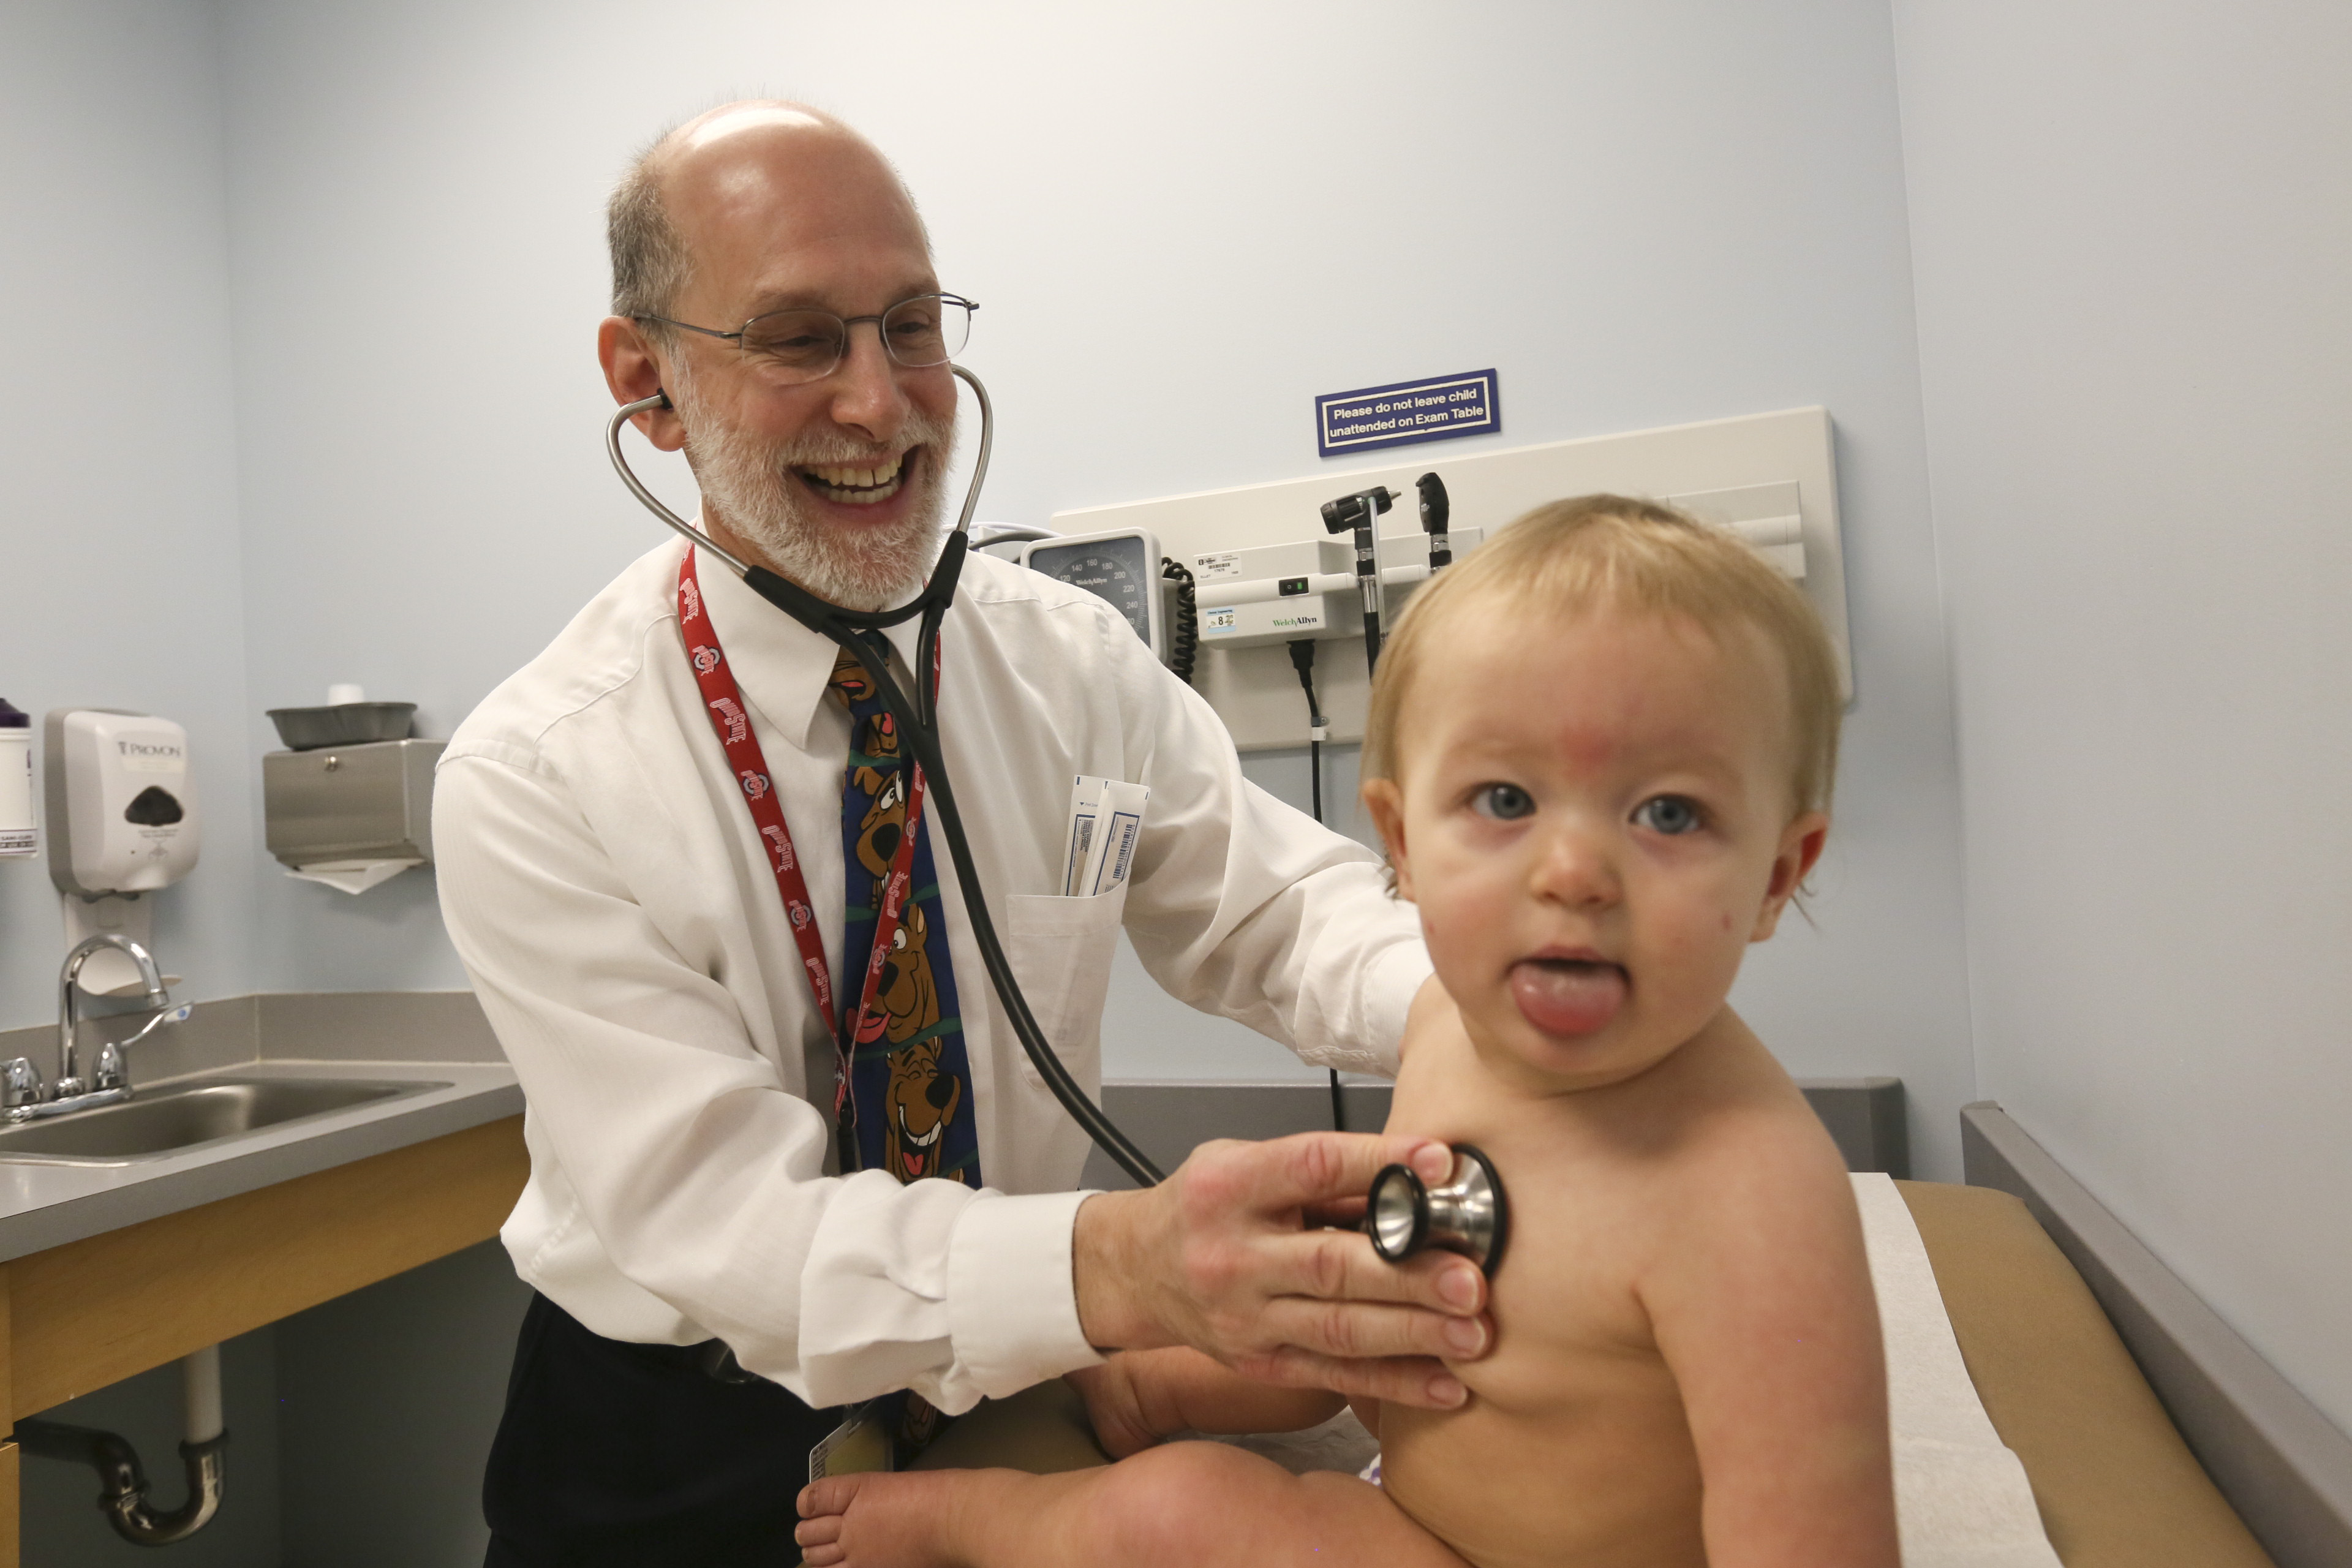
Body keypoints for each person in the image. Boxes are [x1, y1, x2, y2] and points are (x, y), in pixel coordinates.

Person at [432, 100, 1491, 1567]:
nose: (883, 403)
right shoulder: (537, 775)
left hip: (1015, 1391)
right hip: (678, 1442)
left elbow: (1275, 913)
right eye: (801, 338)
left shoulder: (1070, 663)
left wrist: (1478, 1006)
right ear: (649, 381)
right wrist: (1130, 1260)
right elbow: (735, 1228)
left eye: (913, 325)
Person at [791, 496, 1900, 1568]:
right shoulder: (1452, 1031)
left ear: (1777, 875)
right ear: (1401, 848)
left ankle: (976, 1527)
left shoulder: (1752, 1205)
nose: (1573, 876)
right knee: (1320, 1281)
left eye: (1670, 814)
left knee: (1180, 1517)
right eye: (1506, 802)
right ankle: (1139, 1389)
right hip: (1413, 1484)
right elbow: (1392, 1282)